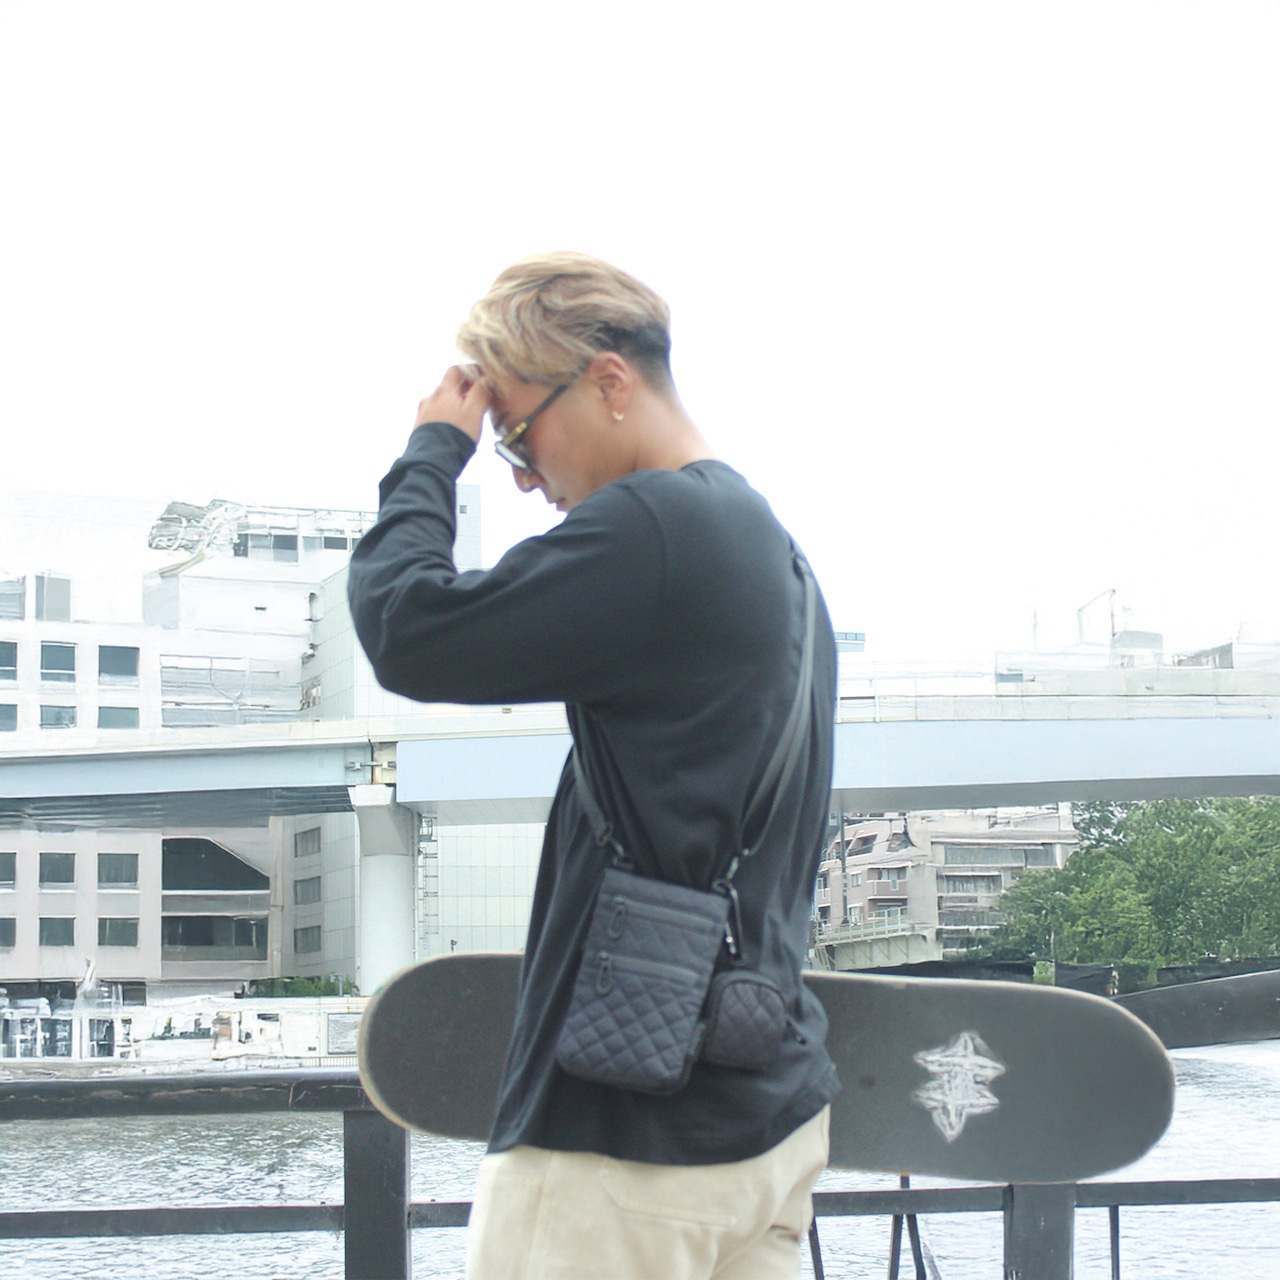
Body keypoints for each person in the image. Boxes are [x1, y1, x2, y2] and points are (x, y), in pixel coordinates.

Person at [348, 252, 840, 1279]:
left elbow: (407, 628)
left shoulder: (655, 528)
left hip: (621, 1148)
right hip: (765, 1124)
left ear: (609, 381)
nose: (524, 478)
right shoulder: (778, 557)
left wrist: (434, 450)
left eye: (518, 435)